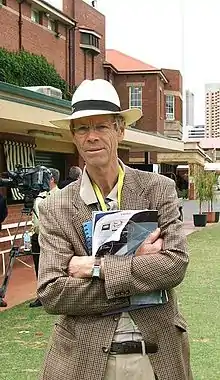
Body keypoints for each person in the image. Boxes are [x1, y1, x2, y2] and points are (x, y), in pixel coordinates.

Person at [37, 79, 193, 380]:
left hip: (156, 356)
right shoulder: (57, 206)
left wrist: (96, 267)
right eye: (82, 128)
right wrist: (142, 281)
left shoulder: (157, 189)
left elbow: (175, 265)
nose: (92, 136)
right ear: (73, 136)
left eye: (102, 127)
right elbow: (53, 293)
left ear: (120, 130)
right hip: (85, 361)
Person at [29, 168, 60, 308]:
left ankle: (54, 295)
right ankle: (41, 296)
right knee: (38, 266)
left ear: (52, 179)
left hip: (52, 238)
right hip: (37, 236)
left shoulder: (60, 195)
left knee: (53, 266)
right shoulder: (39, 196)